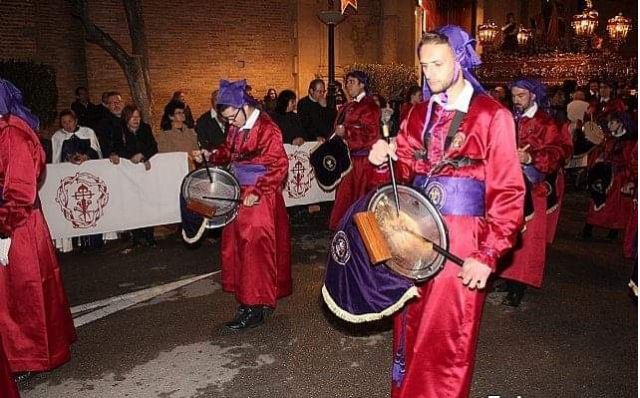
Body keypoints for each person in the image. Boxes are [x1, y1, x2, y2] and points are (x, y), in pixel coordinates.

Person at [368, 26, 525, 397]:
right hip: (414, 233)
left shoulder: (492, 115)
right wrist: (382, 160)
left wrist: (487, 255)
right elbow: (402, 172)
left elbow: (508, 192)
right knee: (410, 322)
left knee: (447, 336)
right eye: (424, 67)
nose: (430, 74)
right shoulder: (419, 112)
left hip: (462, 238)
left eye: (438, 64)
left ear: (461, 61)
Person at [193, 79, 291, 330]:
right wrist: (210, 155)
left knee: (255, 251)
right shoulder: (237, 125)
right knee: (237, 248)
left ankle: (255, 306)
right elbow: (228, 150)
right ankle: (249, 300)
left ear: (243, 106)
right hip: (239, 192)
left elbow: (279, 165)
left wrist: (258, 191)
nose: (229, 123)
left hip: (259, 196)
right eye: (225, 119)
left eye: (230, 117)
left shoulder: (267, 128)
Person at [0, 78, 76, 374]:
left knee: (23, 291)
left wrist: (4, 230)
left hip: (17, 222)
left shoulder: (14, 137)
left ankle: (27, 357)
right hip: (12, 219)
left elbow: (20, 190)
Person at [498, 78, 566, 307]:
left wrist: (531, 157)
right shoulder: (507, 118)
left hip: (533, 186)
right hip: (507, 185)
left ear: (533, 96)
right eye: (514, 96)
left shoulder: (546, 123)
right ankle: (506, 278)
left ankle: (519, 285)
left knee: (528, 239)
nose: (516, 101)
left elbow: (559, 152)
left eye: (521, 96)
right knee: (506, 232)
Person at [328, 70, 384, 230]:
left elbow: (371, 135)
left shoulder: (370, 107)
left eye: (352, 82)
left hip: (362, 163)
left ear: (362, 84)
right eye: (347, 82)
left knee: (360, 200)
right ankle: (345, 231)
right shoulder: (348, 106)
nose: (347, 85)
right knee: (344, 198)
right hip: (348, 160)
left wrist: (347, 132)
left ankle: (360, 233)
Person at [51, 109, 104, 253]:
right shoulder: (58, 137)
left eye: (70, 121)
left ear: (76, 121)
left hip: (89, 179)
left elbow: (96, 152)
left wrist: (86, 156)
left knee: (90, 207)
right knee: (75, 209)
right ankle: (78, 243)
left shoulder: (88, 132)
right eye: (64, 123)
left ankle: (95, 241)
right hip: (70, 181)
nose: (67, 125)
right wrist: (69, 159)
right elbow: (56, 159)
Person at [581, 111, 636, 241]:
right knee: (595, 199)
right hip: (604, 174)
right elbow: (602, 154)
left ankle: (613, 230)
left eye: (612, 122)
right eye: (609, 122)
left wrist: (628, 177)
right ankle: (588, 228)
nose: (609, 125)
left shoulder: (628, 142)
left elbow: (630, 162)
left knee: (615, 205)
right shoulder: (608, 139)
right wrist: (600, 158)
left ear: (620, 124)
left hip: (618, 177)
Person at [113, 104, 159, 247]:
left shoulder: (145, 128)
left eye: (138, 117)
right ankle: (137, 235)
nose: (136, 120)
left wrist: (143, 155)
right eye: (133, 117)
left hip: (144, 173)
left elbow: (153, 146)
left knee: (147, 202)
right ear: (126, 118)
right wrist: (130, 157)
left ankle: (150, 235)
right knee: (131, 203)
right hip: (127, 174)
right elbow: (117, 148)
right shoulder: (119, 130)